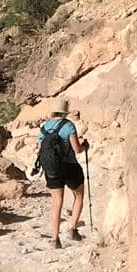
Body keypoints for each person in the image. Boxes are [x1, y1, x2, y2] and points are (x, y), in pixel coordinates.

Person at [37, 98, 88, 249]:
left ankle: (55, 239)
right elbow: (77, 149)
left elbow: (40, 151)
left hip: (52, 169)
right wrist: (85, 146)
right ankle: (72, 230)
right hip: (70, 166)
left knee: (56, 202)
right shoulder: (68, 126)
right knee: (78, 195)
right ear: (65, 112)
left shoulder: (44, 128)